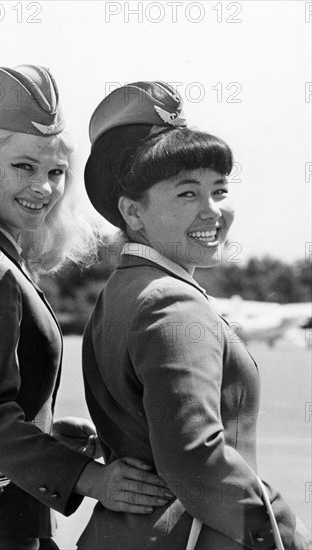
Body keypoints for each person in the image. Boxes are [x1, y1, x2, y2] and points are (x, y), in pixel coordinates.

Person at [0, 67, 173, 550]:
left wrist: (50, 432)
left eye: (55, 172)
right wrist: (93, 479)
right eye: (23, 167)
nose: (44, 188)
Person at [78, 81, 312, 549]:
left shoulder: (125, 288)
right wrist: (284, 537)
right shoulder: (171, 301)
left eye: (219, 191)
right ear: (133, 212)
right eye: (187, 194)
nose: (213, 213)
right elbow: (197, 460)